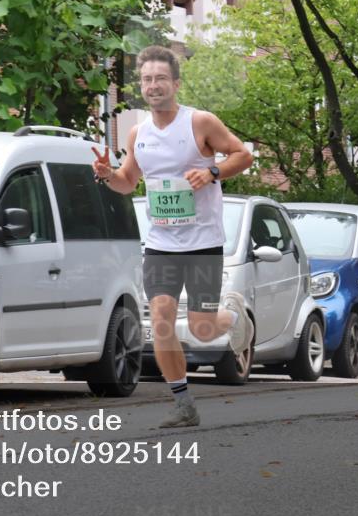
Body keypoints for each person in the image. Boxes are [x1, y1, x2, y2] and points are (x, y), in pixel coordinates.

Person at [92, 45, 254, 428]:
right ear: (141, 86)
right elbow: (128, 182)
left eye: (161, 79)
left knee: (201, 328)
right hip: (161, 244)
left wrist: (212, 172)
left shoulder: (200, 122)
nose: (153, 85)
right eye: (147, 79)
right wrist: (108, 175)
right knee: (162, 319)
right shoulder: (138, 133)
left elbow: (242, 155)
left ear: (176, 84)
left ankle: (234, 318)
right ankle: (183, 404)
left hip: (202, 244)